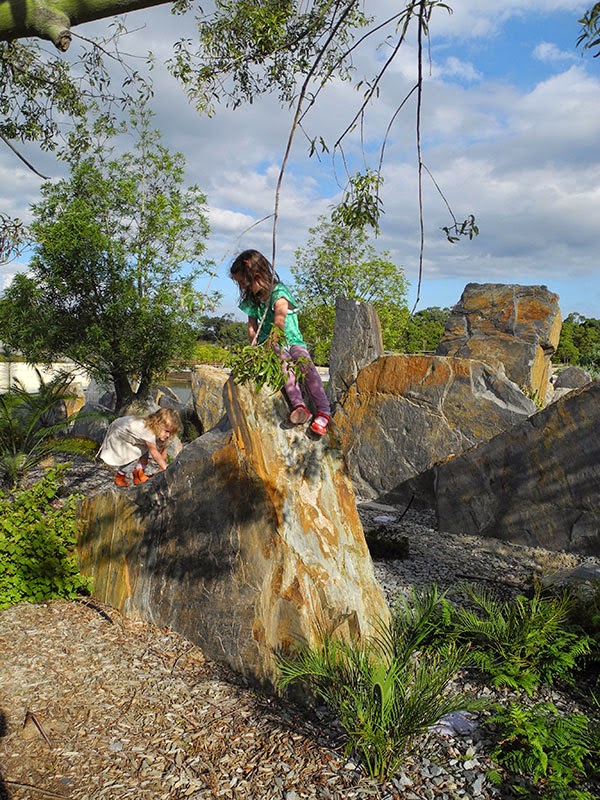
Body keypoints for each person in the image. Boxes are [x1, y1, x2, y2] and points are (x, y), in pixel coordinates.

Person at [230, 249, 331, 435]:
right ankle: (298, 405)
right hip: (271, 345)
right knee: (283, 362)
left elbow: (279, 323)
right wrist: (255, 350)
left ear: (257, 276)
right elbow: (252, 327)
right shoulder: (252, 300)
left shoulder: (279, 293)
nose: (242, 288)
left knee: (305, 366)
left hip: (291, 340)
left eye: (243, 282)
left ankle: (324, 411)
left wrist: (271, 344)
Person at [98, 407, 182, 487]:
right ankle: (120, 476)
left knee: (144, 449)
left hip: (130, 433)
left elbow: (163, 450)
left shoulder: (156, 432)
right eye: (166, 431)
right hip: (120, 432)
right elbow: (154, 452)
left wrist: (161, 469)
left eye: (170, 433)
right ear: (157, 424)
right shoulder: (148, 432)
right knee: (132, 454)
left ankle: (139, 473)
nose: (168, 435)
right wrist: (166, 467)